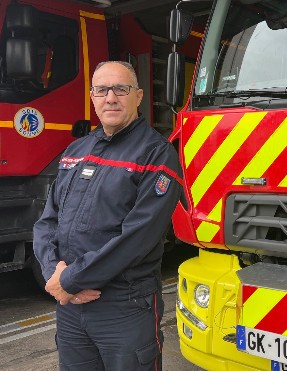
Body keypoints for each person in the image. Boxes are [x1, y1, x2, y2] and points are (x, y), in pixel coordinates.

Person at [33, 61, 182, 371]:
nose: (110, 97)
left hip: (124, 307)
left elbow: (138, 238)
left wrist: (71, 279)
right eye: (101, 90)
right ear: (92, 97)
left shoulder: (156, 154)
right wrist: (53, 273)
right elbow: (48, 221)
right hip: (71, 309)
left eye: (121, 89)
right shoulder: (76, 150)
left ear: (138, 96)